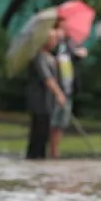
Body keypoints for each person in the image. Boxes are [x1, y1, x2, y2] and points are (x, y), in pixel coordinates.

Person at [50, 18, 88, 159]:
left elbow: (77, 57)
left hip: (68, 87)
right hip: (55, 88)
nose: (64, 30)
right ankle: (52, 149)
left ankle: (56, 149)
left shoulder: (71, 44)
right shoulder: (53, 45)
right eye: (61, 27)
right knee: (53, 120)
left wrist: (79, 54)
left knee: (62, 122)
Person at [25, 29, 65, 160]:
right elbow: (47, 78)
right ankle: (34, 157)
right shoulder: (39, 57)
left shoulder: (51, 57)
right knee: (38, 133)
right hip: (39, 101)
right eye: (52, 38)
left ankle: (41, 157)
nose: (55, 41)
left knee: (45, 132)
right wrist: (59, 93)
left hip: (48, 102)